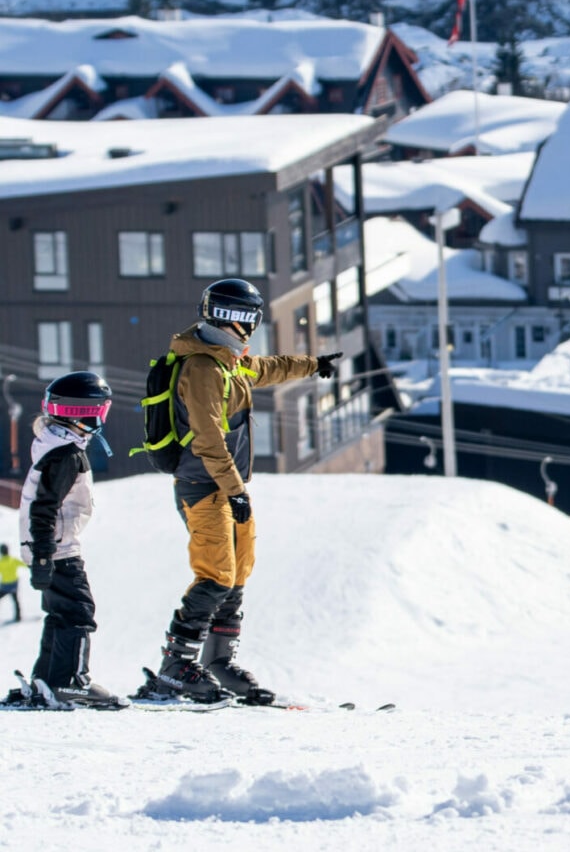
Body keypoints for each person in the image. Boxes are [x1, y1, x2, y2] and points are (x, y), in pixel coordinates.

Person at [141, 278, 339, 703]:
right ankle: (176, 665)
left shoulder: (227, 360)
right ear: (231, 319)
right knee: (215, 574)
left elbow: (266, 368)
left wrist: (312, 363)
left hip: (228, 487)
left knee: (237, 573)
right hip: (204, 486)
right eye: (247, 317)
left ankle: (218, 661)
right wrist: (233, 491)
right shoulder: (203, 369)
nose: (250, 327)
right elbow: (207, 438)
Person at [14, 372, 118, 706]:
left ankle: (47, 680)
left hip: (49, 546)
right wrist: (44, 555)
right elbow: (44, 509)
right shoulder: (66, 455)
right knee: (79, 612)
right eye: (100, 411)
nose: (101, 419)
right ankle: (72, 680)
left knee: (60, 614)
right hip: (57, 548)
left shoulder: (56, 445)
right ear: (81, 412)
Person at [0, 543, 26, 623]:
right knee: (15, 600)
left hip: (5, 586)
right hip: (14, 585)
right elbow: (25, 565)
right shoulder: (13, 560)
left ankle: (18, 617)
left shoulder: (1, 562)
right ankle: (18, 617)